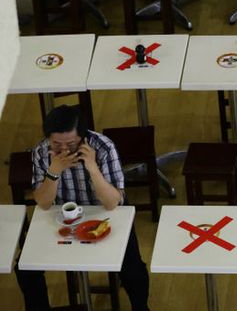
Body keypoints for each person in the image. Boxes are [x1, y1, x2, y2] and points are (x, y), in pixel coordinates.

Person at [15, 105, 150, 311]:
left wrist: (93, 168)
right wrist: (53, 171)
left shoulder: (104, 147)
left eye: (71, 144)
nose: (64, 150)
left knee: (133, 268)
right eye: (56, 144)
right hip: (62, 218)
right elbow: (43, 203)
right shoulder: (41, 151)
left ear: (83, 137)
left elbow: (112, 203)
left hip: (105, 215)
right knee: (25, 268)